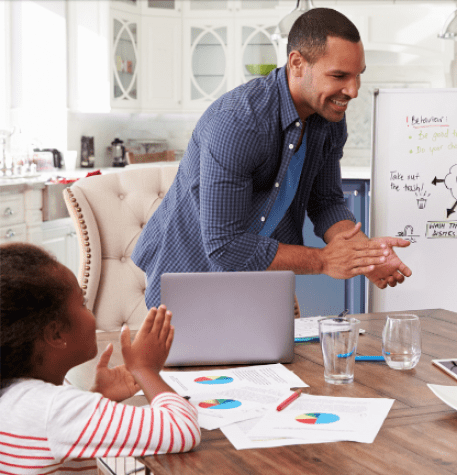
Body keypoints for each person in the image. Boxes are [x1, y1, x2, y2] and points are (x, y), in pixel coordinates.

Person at [132, 8, 411, 309]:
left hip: (256, 276)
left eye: (358, 76)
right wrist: (322, 260)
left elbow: (326, 202)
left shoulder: (328, 118)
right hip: (190, 274)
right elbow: (224, 246)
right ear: (297, 64)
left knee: (284, 356)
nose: (353, 90)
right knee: (207, 358)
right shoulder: (239, 123)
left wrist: (366, 256)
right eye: (339, 76)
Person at [0, 243, 200, 474]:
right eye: (83, 303)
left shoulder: (22, 397)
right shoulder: (52, 409)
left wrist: (97, 397)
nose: (90, 311)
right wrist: (145, 370)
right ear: (55, 334)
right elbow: (181, 430)